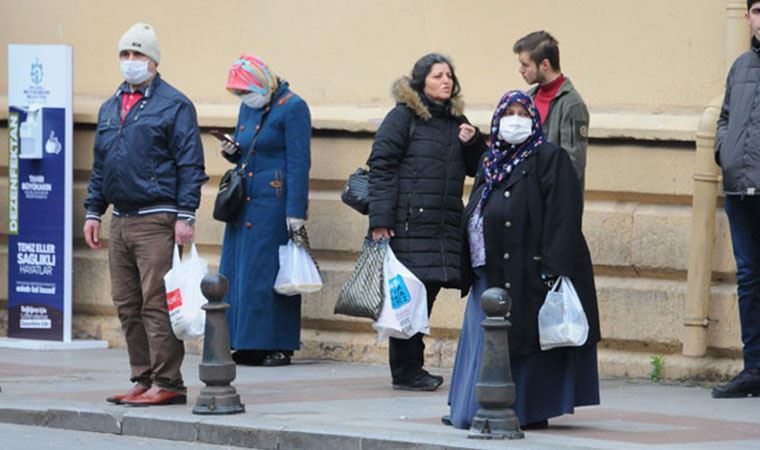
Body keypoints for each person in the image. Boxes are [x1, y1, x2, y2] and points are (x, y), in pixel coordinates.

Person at [447, 90, 600, 429]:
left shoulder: (549, 158)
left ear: (534, 120)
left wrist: (552, 269)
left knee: (525, 341)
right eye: (508, 113)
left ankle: (525, 410)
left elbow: (564, 216)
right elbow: (479, 205)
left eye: (523, 113)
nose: (515, 119)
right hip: (488, 268)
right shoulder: (491, 161)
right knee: (483, 337)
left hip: (528, 269)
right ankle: (469, 407)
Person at [83, 22, 208, 406]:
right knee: (126, 303)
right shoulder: (110, 106)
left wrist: (185, 215)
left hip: (157, 218)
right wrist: (93, 211)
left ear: (153, 61)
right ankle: (142, 376)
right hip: (120, 218)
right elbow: (101, 166)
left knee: (156, 303)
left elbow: (190, 163)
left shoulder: (174, 104)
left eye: (138, 55)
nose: (131, 62)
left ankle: (168, 382)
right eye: (126, 54)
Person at [367, 53, 486, 391]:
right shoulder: (402, 117)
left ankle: (410, 368)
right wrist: (380, 219)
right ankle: (406, 370)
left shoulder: (455, 120)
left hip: (442, 226)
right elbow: (382, 166)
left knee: (426, 295)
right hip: (406, 224)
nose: (446, 81)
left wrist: (473, 142)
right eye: (437, 76)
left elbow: (477, 169)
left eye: (449, 75)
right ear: (421, 82)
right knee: (409, 298)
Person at [218, 54, 311, 367]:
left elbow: (299, 163)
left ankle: (277, 344)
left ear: (261, 81)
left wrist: (296, 213)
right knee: (240, 273)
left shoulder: (294, 107)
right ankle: (243, 341)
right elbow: (247, 147)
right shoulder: (249, 104)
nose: (243, 98)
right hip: (243, 204)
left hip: (274, 204)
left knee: (271, 274)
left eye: (245, 91)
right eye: (238, 94)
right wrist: (231, 151)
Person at [711, 0, 760, 399]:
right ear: (747, 17)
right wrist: (722, 152)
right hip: (740, 191)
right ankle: (754, 369)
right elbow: (725, 116)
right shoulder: (741, 66)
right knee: (749, 280)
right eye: (758, 11)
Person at [513, 30, 589, 198]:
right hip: (525, 198)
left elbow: (573, 164)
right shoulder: (528, 97)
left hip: (554, 202)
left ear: (545, 65)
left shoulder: (571, 104)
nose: (521, 70)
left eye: (525, 64)